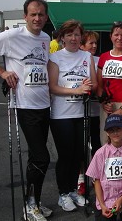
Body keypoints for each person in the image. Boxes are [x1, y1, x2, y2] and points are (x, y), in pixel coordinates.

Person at [0, 0, 52, 220]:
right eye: (33, 14)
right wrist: (2, 73)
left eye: (41, 14)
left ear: (46, 17)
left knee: (35, 157)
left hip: (44, 104)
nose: (37, 18)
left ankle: (34, 202)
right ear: (25, 16)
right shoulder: (12, 36)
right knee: (42, 157)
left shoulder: (46, 38)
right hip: (24, 104)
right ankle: (30, 204)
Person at [48, 19, 97, 212]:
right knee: (66, 154)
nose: (74, 38)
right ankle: (63, 193)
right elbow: (52, 87)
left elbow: (92, 83)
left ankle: (75, 190)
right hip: (61, 115)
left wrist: (88, 86)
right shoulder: (56, 58)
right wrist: (77, 90)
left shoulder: (86, 56)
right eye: (69, 34)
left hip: (81, 113)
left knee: (79, 154)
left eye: (77, 34)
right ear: (62, 38)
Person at [77, 30, 101, 196]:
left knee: (98, 146)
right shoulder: (77, 61)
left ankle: (98, 177)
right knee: (81, 148)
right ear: (81, 45)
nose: (94, 46)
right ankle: (80, 179)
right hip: (79, 111)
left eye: (95, 43)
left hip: (98, 112)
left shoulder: (100, 60)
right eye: (90, 43)